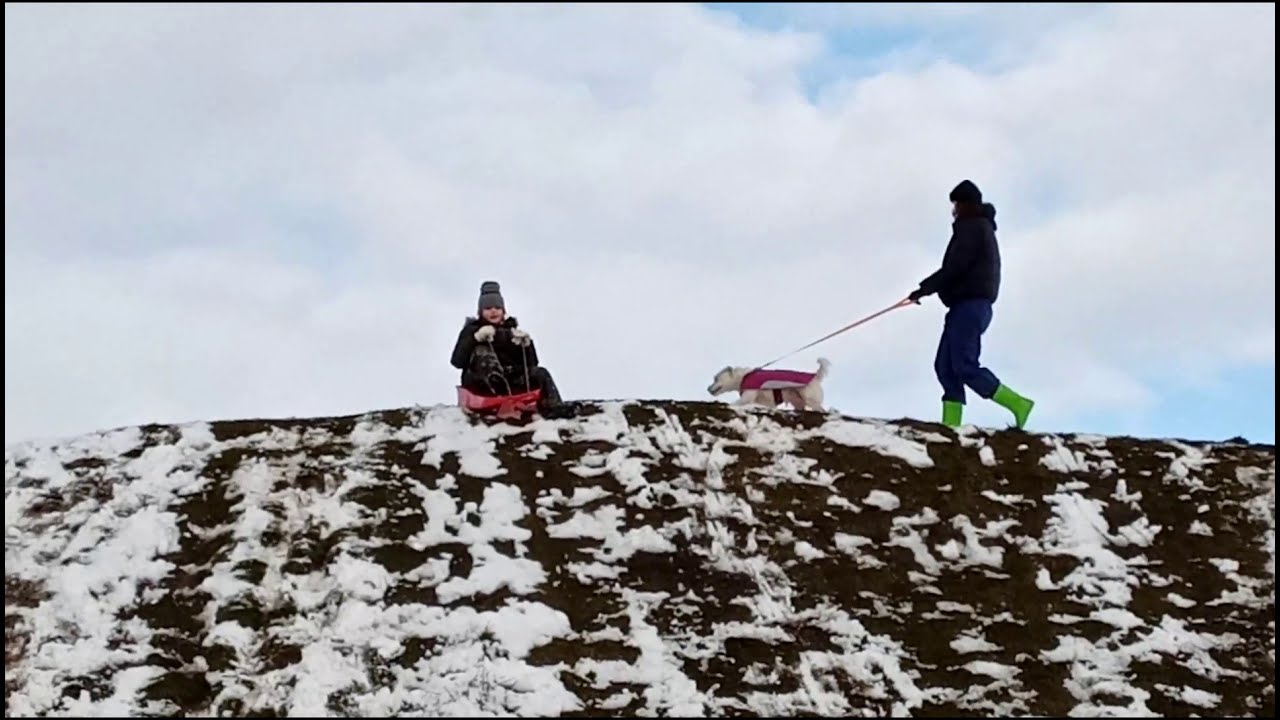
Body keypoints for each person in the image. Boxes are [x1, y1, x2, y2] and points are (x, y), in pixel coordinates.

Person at [908, 179, 1035, 429]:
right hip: (964, 306)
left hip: (971, 305)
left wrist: (925, 289)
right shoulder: (976, 227)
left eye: (956, 204)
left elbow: (955, 268)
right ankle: (951, 426)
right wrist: (927, 289)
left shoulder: (972, 227)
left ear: (964, 204)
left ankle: (1018, 403)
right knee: (945, 366)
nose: (953, 210)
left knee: (964, 365)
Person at [450, 280, 572, 418]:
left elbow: (531, 364)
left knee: (541, 373)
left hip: (509, 380)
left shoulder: (511, 332)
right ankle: (496, 384)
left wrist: (527, 346)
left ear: (503, 311)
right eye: (488, 308)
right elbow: (457, 361)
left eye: (497, 307)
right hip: (481, 384)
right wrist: (475, 338)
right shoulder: (471, 330)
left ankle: (554, 407)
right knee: (482, 351)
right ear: (481, 312)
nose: (493, 311)